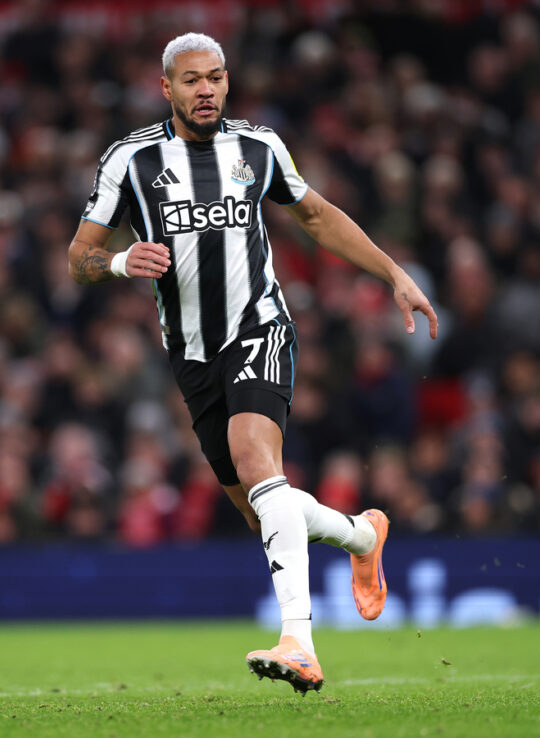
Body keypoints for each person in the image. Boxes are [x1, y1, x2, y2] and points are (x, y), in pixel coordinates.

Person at [68, 32, 438, 693]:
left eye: (215, 77)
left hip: (259, 329)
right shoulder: (131, 160)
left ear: (227, 82)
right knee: (261, 509)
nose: (205, 89)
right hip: (190, 355)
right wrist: (122, 261)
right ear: (167, 89)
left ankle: (300, 640)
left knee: (256, 461)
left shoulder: (258, 148)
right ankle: (361, 535)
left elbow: (318, 218)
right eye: (191, 80)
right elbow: (80, 255)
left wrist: (393, 274)